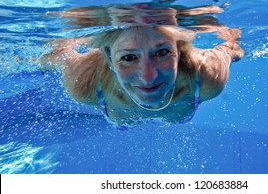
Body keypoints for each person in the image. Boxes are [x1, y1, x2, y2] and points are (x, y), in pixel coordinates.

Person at [40, 25, 244, 129]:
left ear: (180, 51)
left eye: (162, 52)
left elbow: (229, 49)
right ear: (109, 58)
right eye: (128, 57)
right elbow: (56, 56)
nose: (148, 77)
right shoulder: (86, 83)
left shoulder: (206, 77)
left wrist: (233, 47)